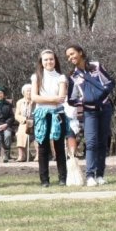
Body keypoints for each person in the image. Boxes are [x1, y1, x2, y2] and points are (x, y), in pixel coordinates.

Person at [65, 44, 115, 187]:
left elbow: (110, 83)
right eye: (68, 56)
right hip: (89, 112)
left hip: (105, 108)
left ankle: (100, 175)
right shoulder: (73, 76)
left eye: (72, 54)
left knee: (102, 143)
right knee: (91, 142)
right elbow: (71, 99)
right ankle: (90, 176)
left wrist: (101, 96)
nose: (70, 58)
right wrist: (83, 100)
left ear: (80, 52)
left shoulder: (96, 66)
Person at [31, 49, 68, 187]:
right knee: (43, 148)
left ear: (55, 60)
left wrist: (45, 99)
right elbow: (35, 97)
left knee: (59, 147)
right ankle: (44, 180)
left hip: (58, 115)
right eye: (46, 59)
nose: (49, 62)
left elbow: (62, 98)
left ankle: (63, 178)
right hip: (42, 115)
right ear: (41, 61)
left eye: (51, 59)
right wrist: (53, 99)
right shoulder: (36, 77)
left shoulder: (61, 77)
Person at [0, 86, 15, 163]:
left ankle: (6, 154)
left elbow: (12, 117)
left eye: (1, 93)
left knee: (8, 135)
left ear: (4, 95)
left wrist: (6, 124)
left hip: (6, 126)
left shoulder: (8, 104)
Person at [14, 83, 36, 162]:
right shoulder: (19, 102)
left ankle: (38, 155)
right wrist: (24, 119)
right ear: (23, 92)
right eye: (27, 91)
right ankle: (22, 155)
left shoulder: (36, 101)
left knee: (38, 133)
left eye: (30, 91)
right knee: (20, 133)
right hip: (24, 123)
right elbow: (16, 115)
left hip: (35, 122)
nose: (29, 93)